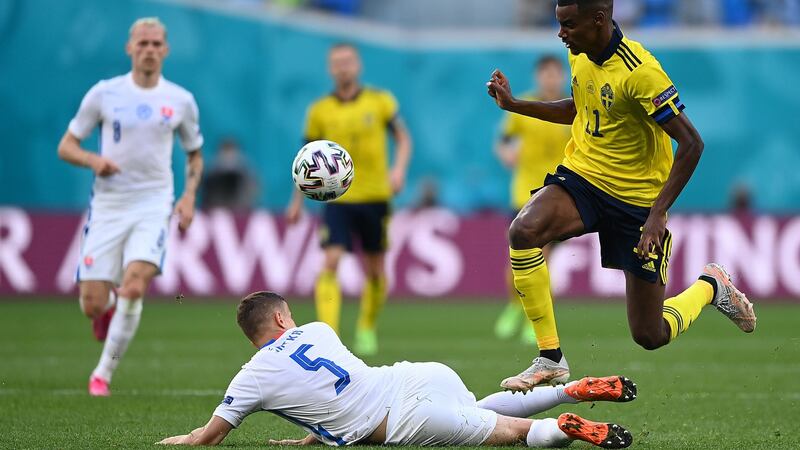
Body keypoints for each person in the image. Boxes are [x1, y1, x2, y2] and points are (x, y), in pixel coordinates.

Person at [485, 0, 756, 392]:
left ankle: (710, 286)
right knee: (523, 231)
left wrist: (658, 214)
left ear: (598, 20)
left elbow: (692, 143)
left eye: (568, 24)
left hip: (637, 201)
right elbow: (581, 108)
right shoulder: (579, 52)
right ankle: (550, 358)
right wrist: (515, 106)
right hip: (585, 177)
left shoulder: (640, 72)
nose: (561, 34)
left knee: (649, 334)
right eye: (559, 24)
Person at [157, 291, 636, 448]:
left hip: (403, 418)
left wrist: (181, 440)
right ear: (283, 319)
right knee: (476, 408)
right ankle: (571, 390)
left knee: (512, 433)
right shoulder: (319, 330)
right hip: (417, 376)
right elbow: (330, 385)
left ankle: (564, 429)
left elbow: (208, 438)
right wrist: (314, 435)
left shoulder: (251, 378)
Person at [57, 17, 204, 397]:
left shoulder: (180, 100)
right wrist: (93, 160)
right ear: (130, 48)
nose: (149, 50)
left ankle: (101, 375)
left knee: (135, 284)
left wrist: (189, 196)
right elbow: (66, 146)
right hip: (109, 204)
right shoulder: (105, 93)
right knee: (91, 304)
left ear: (165, 50)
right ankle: (106, 309)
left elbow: (194, 154)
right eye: (143, 43)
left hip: (154, 203)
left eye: (156, 44)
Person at [286, 43, 412, 356]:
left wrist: (398, 170)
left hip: (375, 196)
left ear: (358, 66)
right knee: (330, 261)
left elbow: (403, 138)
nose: (343, 67)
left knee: (375, 270)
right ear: (330, 69)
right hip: (337, 200)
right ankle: (329, 335)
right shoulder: (319, 110)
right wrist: (297, 202)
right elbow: (305, 163)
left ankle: (366, 326)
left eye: (348, 61)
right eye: (337, 62)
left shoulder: (380, 101)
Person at [493, 56, 572, 345]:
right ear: (538, 77)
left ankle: (534, 320)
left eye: (555, 74)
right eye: (545, 74)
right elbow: (503, 140)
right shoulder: (524, 105)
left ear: (562, 77)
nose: (550, 79)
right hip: (524, 190)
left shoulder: (572, 107)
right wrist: (506, 154)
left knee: (543, 256)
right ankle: (516, 306)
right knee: (517, 257)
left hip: (558, 191)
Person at [200, 137, 257, 211]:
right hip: (217, 210)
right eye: (226, 153)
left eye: (232, 154)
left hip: (240, 211)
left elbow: (252, 196)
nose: (229, 158)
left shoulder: (247, 175)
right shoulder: (210, 176)